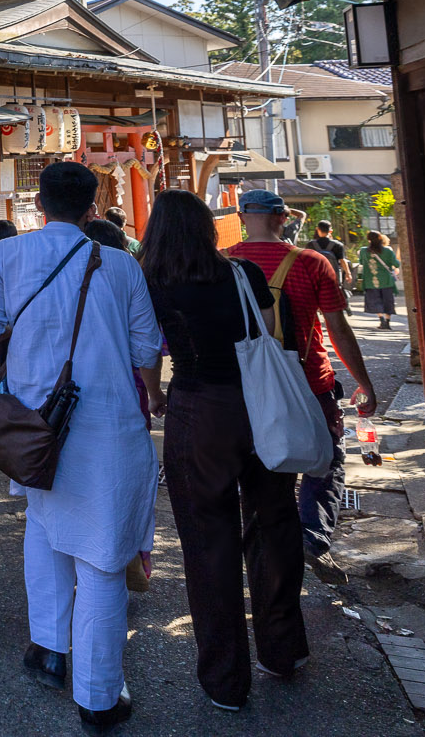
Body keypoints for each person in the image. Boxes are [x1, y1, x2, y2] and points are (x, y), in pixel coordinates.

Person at [0, 162, 164, 729]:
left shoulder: (5, 256)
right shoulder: (122, 265)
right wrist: (153, 397)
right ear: (92, 206)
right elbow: (146, 348)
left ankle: (51, 649)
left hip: (34, 426)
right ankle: (98, 696)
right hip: (106, 428)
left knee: (46, 527)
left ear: (39, 202)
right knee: (101, 558)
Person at [143, 190, 306, 710]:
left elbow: (147, 349)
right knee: (275, 524)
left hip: (197, 411)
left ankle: (226, 680)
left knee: (208, 542)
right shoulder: (243, 274)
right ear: (210, 229)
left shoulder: (152, 280)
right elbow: (273, 334)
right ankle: (282, 651)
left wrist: (154, 393)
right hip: (261, 408)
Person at [228, 189, 379, 589]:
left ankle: (260, 544)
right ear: (282, 219)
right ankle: (312, 535)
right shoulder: (312, 262)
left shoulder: (223, 262)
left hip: (247, 386)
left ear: (244, 217)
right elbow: (338, 329)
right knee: (324, 459)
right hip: (309, 381)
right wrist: (363, 382)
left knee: (259, 463)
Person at [356, 231, 401, 329]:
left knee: (376, 301)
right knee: (388, 302)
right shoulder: (388, 251)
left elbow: (361, 262)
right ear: (381, 238)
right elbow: (396, 264)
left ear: (369, 240)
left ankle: (381, 320)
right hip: (386, 281)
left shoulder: (363, 251)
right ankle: (388, 322)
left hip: (370, 281)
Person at [306, 219, 353, 303]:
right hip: (333, 276)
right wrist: (348, 274)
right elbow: (342, 260)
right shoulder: (338, 245)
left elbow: (306, 261)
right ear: (330, 231)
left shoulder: (311, 244)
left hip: (316, 276)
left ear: (318, 229)